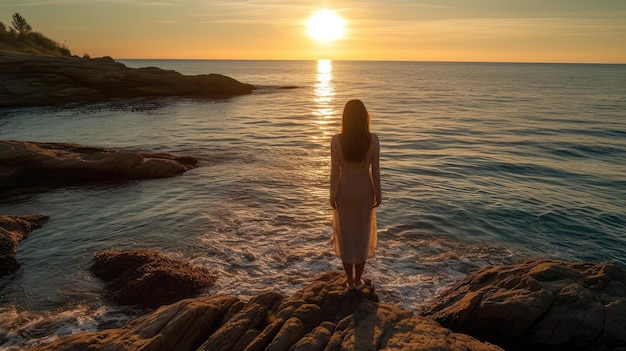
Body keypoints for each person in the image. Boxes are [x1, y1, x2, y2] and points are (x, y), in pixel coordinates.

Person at [330, 99, 381, 291]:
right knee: (361, 234)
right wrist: (379, 194)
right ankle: (358, 280)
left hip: (345, 190)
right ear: (364, 117)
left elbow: (335, 173)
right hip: (364, 191)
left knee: (345, 234)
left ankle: (349, 280)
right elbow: (376, 171)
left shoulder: (337, 140)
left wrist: (332, 195)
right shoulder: (373, 139)